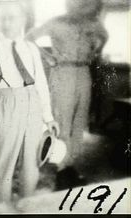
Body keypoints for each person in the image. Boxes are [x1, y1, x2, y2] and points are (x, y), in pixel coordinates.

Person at [0, 1, 59, 208]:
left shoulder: (31, 49)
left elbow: (41, 85)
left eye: (12, 17)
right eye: (3, 18)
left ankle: (24, 213)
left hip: (33, 108)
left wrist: (48, 117)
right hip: (4, 108)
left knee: (32, 165)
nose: (7, 22)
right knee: (2, 168)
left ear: (23, 20)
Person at [26, 0, 108, 175]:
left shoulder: (91, 23)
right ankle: (61, 164)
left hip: (84, 71)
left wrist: (96, 50)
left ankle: (72, 162)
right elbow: (29, 38)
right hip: (63, 71)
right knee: (63, 118)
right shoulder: (56, 22)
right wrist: (47, 56)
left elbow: (104, 35)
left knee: (80, 118)